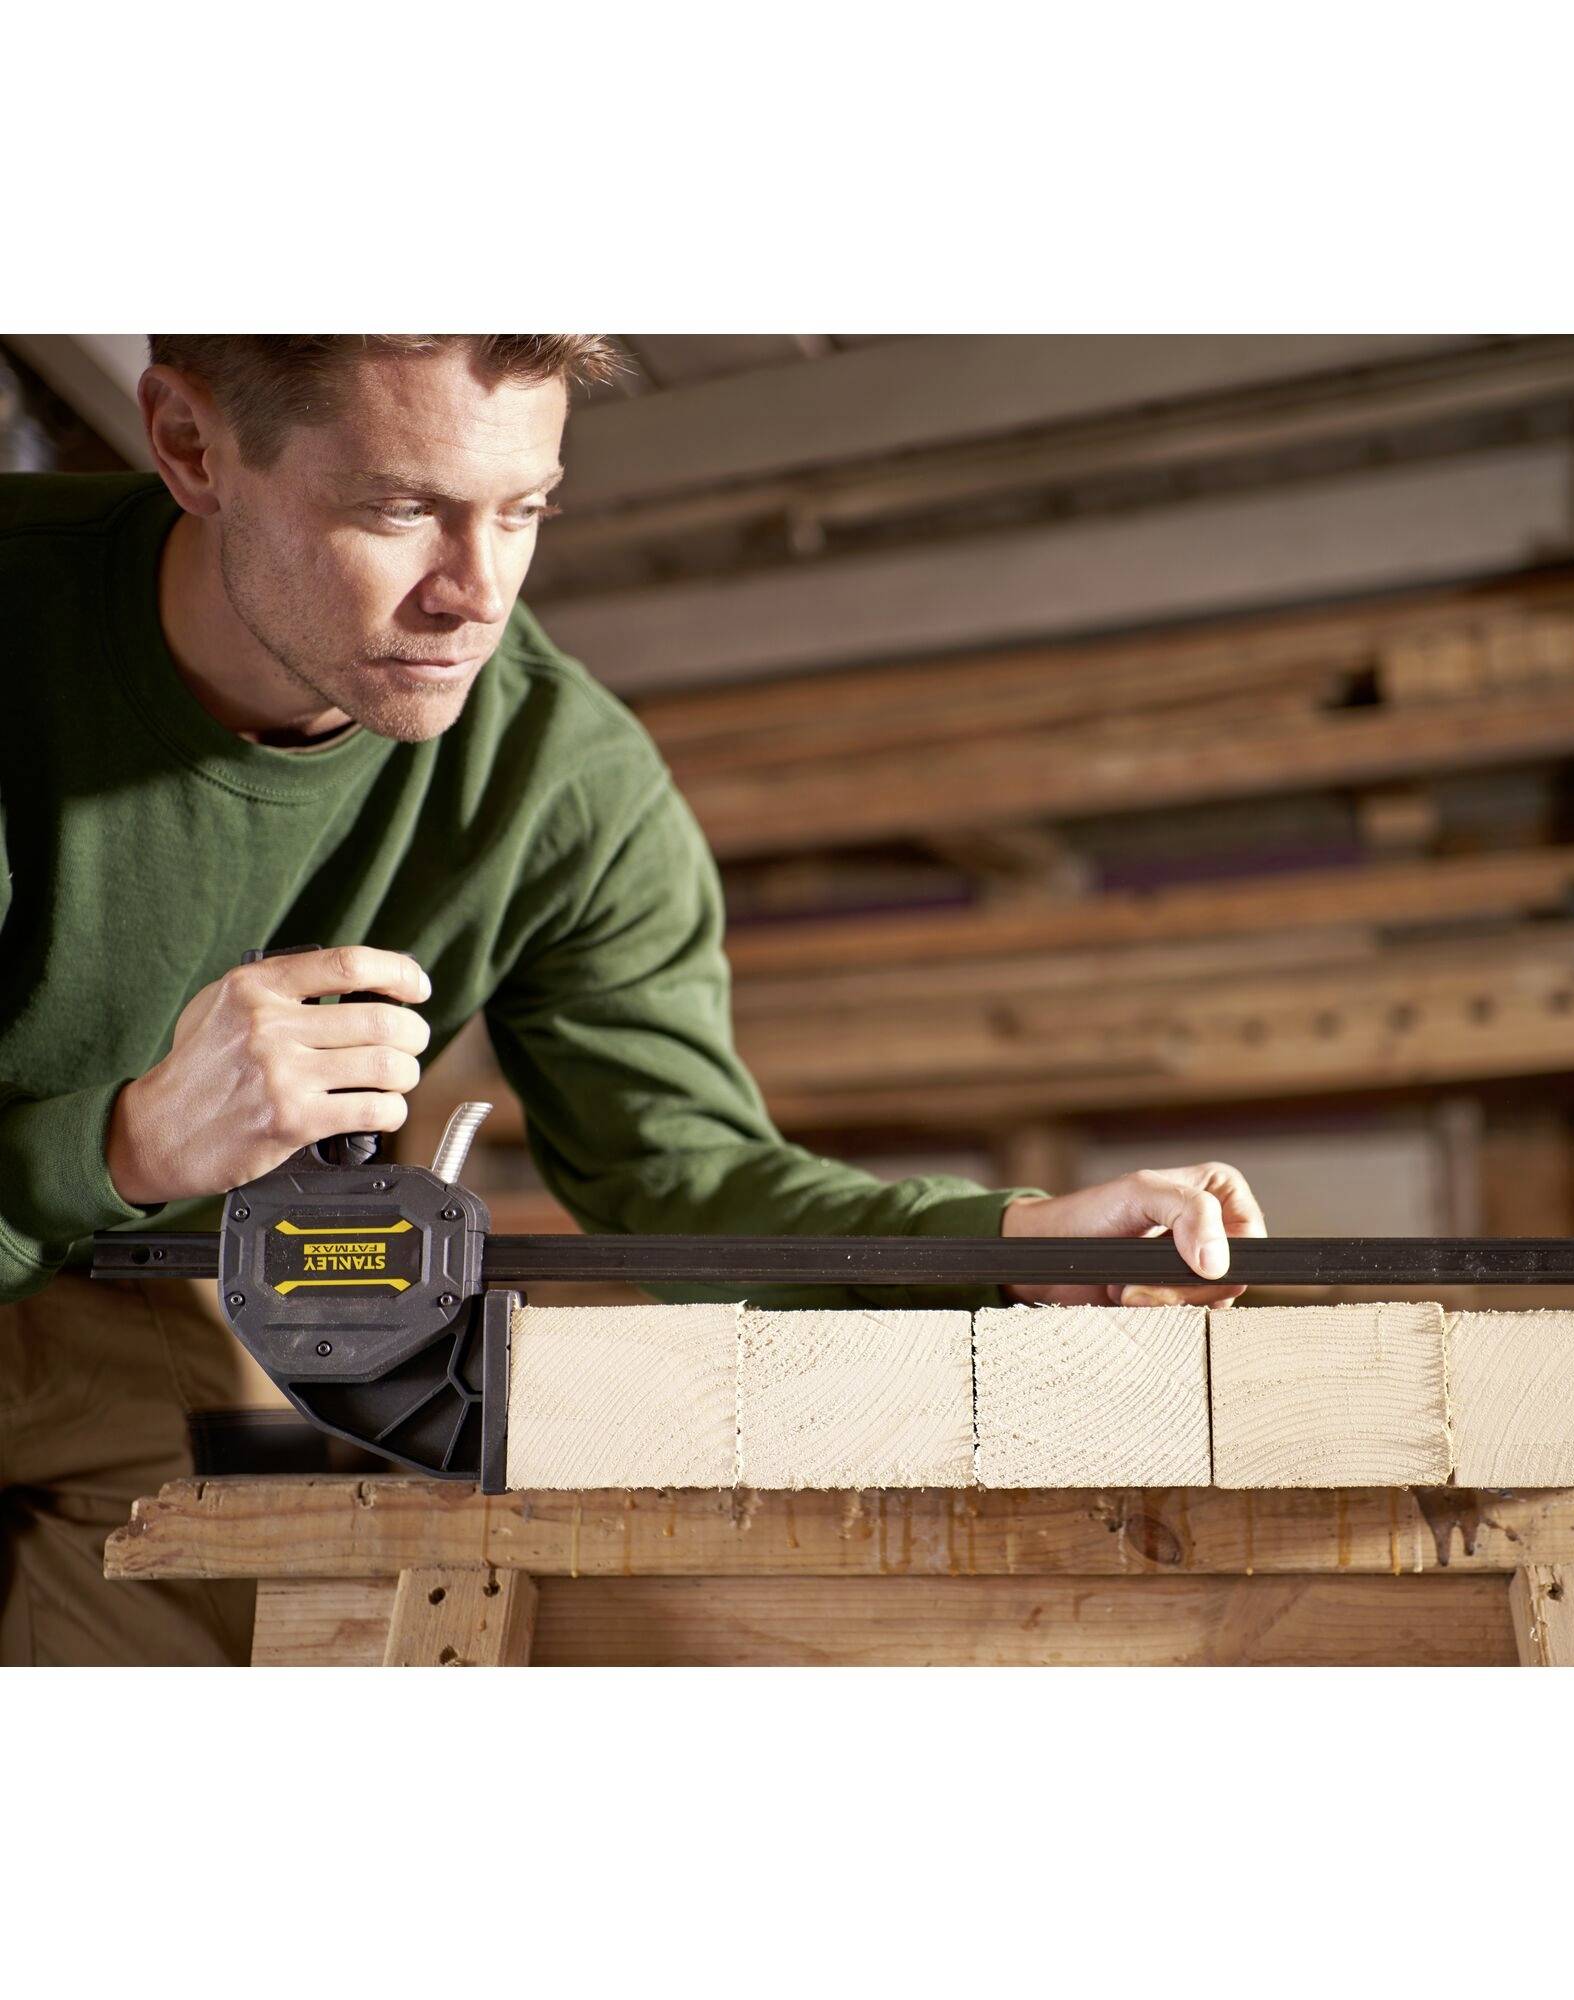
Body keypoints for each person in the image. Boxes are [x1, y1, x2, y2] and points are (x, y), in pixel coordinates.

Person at [0, 335, 1268, 1664]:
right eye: (401, 506)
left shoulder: (564, 782)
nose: (475, 594)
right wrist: (126, 1144)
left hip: (133, 1303)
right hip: (59, 1208)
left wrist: (1011, 1250)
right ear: (193, 446)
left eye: (524, 510)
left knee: (253, 1590)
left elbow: (683, 1173)